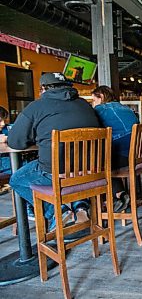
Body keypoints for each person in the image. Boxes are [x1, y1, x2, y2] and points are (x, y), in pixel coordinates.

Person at [8, 72, 100, 231]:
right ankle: (80, 206)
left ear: (43, 88)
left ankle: (58, 211)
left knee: (16, 179)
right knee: (63, 168)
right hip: (89, 171)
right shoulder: (84, 104)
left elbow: (16, 142)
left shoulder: (36, 106)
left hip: (56, 174)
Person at [91, 85, 137, 212]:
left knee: (94, 166)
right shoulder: (126, 108)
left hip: (121, 157)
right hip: (137, 156)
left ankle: (107, 202)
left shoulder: (100, 110)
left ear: (101, 97)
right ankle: (120, 194)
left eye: (94, 100)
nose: (93, 104)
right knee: (105, 163)